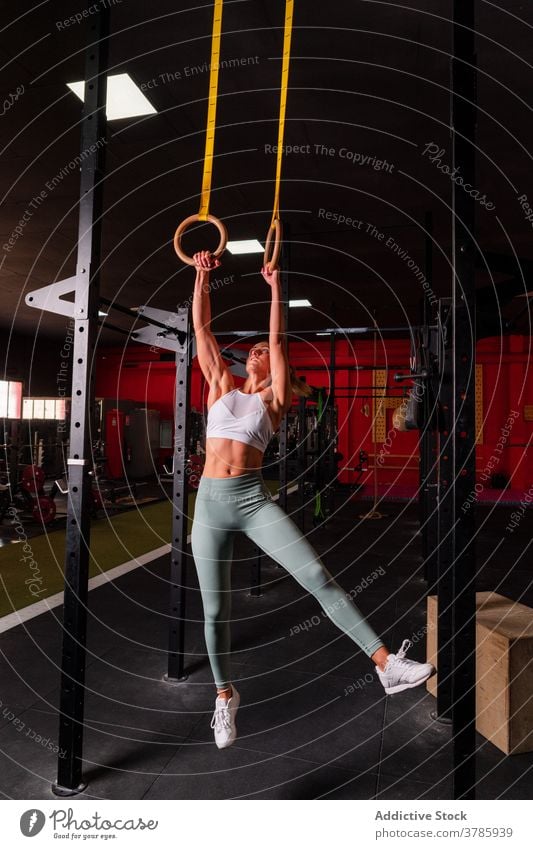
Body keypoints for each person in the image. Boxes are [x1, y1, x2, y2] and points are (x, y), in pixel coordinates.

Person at [190, 250, 435, 749]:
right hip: (210, 505)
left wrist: (276, 287)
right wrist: (201, 277)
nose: (258, 350)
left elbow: (278, 338)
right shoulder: (221, 386)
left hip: (252, 500)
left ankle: (385, 663)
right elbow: (203, 331)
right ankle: (224, 696)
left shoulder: (272, 400)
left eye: (264, 349)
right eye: (254, 350)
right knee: (215, 612)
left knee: (318, 576)